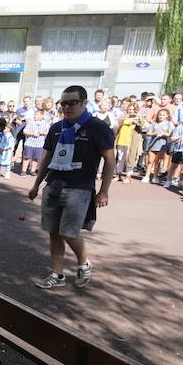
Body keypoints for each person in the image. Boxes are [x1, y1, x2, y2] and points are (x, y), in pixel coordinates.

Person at [28, 85, 115, 290]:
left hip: (79, 187)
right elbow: (47, 156)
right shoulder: (57, 127)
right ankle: (57, 274)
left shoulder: (98, 127)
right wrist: (37, 184)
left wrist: (104, 190)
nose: (66, 107)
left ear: (84, 103)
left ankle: (83, 262)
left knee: (69, 232)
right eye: (63, 103)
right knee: (53, 231)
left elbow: (110, 159)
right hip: (54, 184)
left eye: (72, 103)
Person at [115, 104, 144, 184]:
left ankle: (128, 176)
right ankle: (118, 175)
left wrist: (138, 119)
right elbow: (117, 126)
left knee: (130, 159)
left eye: (132, 109)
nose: (130, 111)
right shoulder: (123, 117)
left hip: (130, 142)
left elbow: (142, 125)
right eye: (129, 109)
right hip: (121, 140)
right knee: (120, 158)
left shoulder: (138, 118)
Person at [143, 108, 172, 184]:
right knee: (150, 161)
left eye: (163, 115)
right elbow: (148, 133)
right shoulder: (154, 123)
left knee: (157, 161)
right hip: (153, 144)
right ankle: (146, 176)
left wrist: (163, 134)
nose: (161, 116)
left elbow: (169, 133)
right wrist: (155, 134)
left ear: (167, 116)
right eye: (160, 115)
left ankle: (155, 177)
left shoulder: (169, 123)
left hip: (162, 144)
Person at [21, 109, 48, 177]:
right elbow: (25, 131)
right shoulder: (31, 123)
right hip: (30, 143)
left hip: (39, 144)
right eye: (35, 114)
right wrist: (33, 133)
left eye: (37, 114)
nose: (35, 116)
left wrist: (42, 133)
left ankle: (32, 171)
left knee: (36, 158)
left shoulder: (46, 124)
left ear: (41, 116)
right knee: (27, 157)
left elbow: (48, 132)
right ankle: (23, 171)